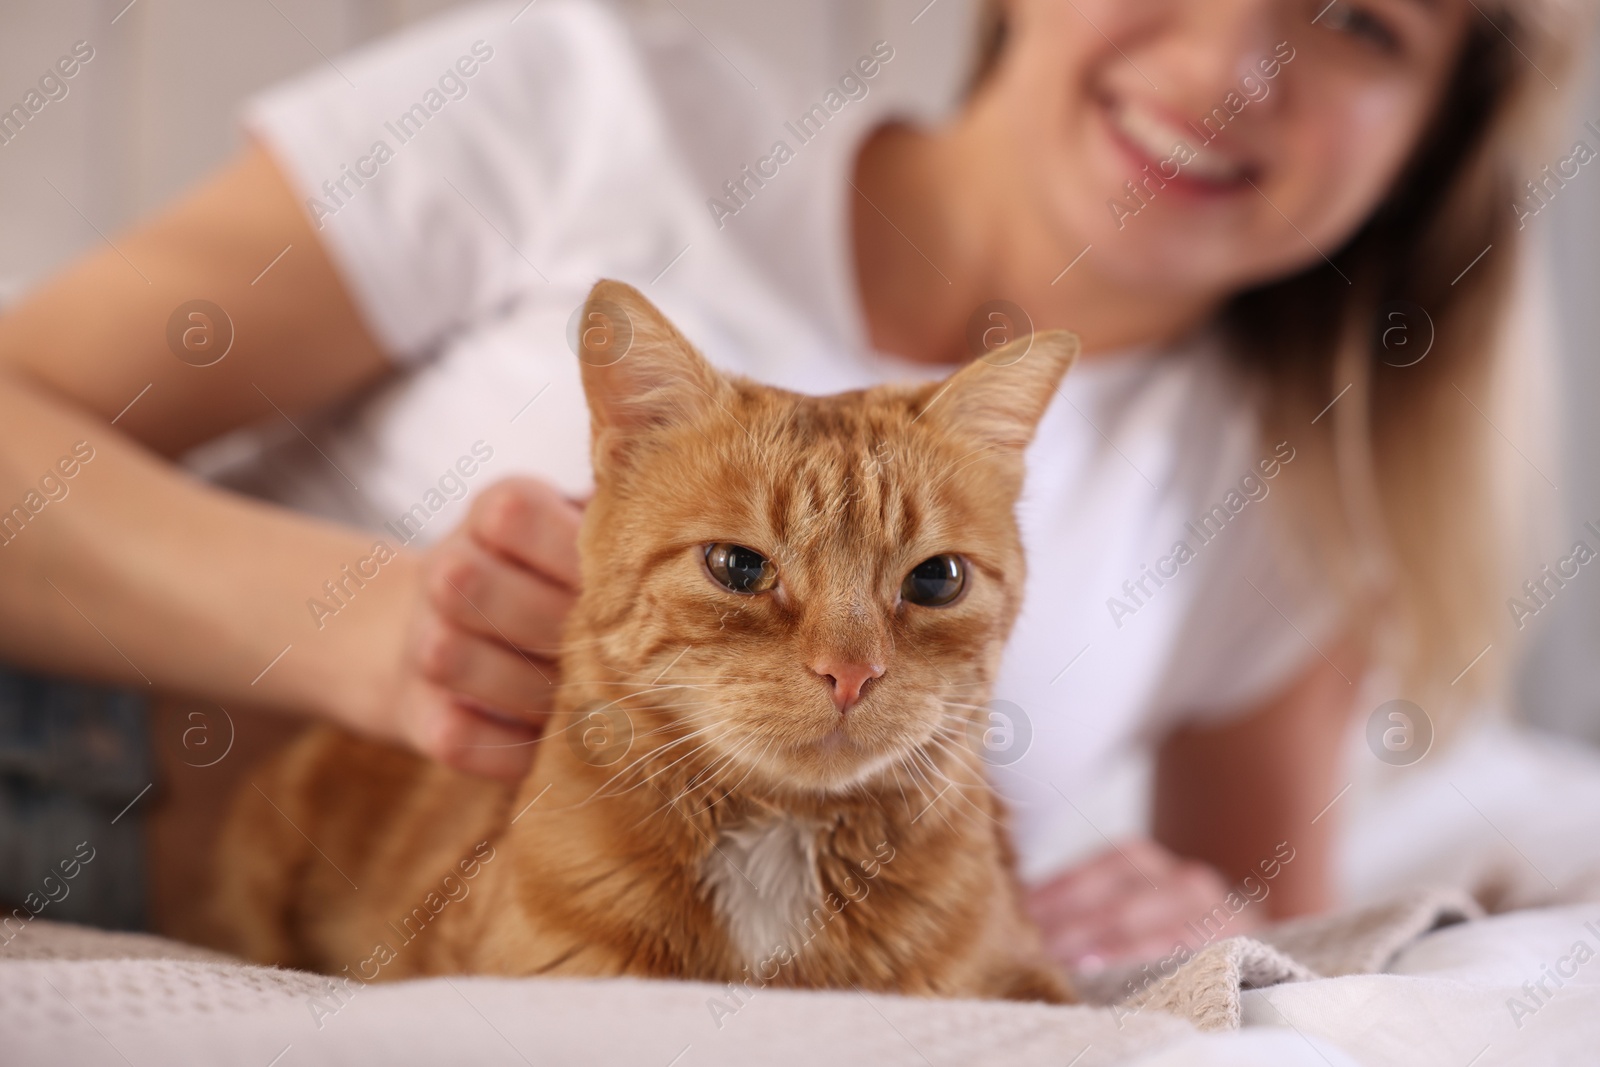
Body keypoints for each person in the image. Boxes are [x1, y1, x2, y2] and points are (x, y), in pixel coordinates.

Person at [0, 0, 1582, 973]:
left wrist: (1189, 934)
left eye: (1363, 17)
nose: (1235, 60)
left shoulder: (1285, 492)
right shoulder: (582, 109)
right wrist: (366, 623)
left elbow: (1264, 941)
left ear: (1434, 133)